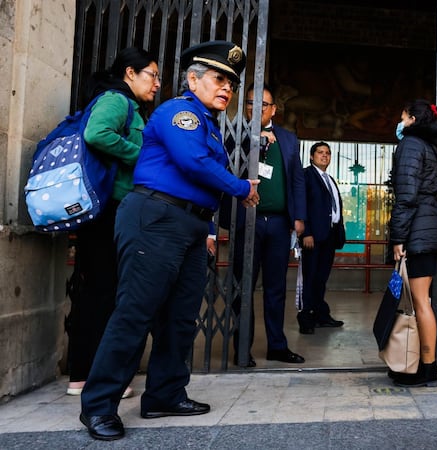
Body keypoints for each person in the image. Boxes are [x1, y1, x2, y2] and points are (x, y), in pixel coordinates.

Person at [79, 40, 259, 441]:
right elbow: (192, 164)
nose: (227, 88)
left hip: (190, 225)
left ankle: (164, 394)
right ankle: (98, 406)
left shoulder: (208, 125)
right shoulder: (181, 113)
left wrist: (209, 228)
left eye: (231, 82)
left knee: (179, 318)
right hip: (156, 218)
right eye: (219, 78)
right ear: (193, 80)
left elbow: (200, 181)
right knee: (135, 313)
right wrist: (240, 186)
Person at [66, 47, 160, 399]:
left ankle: (82, 375)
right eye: (151, 74)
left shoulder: (126, 104)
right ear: (129, 73)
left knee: (99, 292)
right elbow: (96, 134)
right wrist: (144, 156)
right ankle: (94, 376)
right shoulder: (117, 100)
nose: (156, 83)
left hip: (108, 211)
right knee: (108, 294)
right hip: (110, 210)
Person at [226, 83, 307, 367]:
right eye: (250, 103)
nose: (256, 108)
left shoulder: (287, 138)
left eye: (263, 104)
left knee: (275, 288)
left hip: (278, 224)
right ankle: (241, 349)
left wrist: (299, 217)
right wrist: (251, 139)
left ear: (273, 109)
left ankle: (277, 346)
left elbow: (297, 179)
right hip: (245, 222)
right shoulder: (233, 137)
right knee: (242, 286)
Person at [388, 99, 437, 387]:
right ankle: (425, 364)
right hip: (429, 229)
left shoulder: (411, 146)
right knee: (423, 300)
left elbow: (406, 195)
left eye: (403, 116)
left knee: (419, 302)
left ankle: (426, 367)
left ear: (413, 119)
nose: (400, 121)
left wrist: (398, 237)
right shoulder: (431, 147)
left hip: (416, 231)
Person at [297, 141, 346, 334]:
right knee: (310, 278)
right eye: (320, 152)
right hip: (313, 236)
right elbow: (302, 204)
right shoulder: (306, 175)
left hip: (329, 235)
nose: (324, 156)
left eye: (327, 153)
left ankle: (320, 315)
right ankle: (306, 319)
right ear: (311, 156)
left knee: (321, 278)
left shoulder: (330, 179)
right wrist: (306, 232)